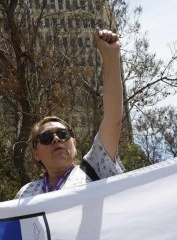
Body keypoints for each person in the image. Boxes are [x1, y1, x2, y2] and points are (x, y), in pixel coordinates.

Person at [15, 28, 124, 198]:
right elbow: (12, 225)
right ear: (36, 153)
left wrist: (111, 56)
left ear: (73, 142)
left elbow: (113, 118)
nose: (56, 139)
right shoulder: (25, 194)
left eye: (63, 134)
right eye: (46, 138)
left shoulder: (95, 168)